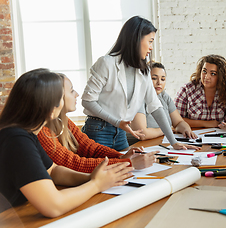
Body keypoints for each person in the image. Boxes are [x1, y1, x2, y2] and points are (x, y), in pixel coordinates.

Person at [0, 69, 133, 217]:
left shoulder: (26, 133)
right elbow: (53, 206)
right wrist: (96, 185)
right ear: (51, 108)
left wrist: (90, 178)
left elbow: (54, 171)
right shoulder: (17, 140)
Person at [81, 16, 198, 151]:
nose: (151, 47)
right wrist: (117, 122)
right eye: (150, 41)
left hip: (120, 134)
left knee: (129, 170)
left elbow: (155, 106)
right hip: (98, 130)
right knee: (106, 170)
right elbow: (87, 101)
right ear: (136, 39)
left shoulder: (143, 70)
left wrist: (173, 142)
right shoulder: (106, 63)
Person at [38, 74, 158, 173]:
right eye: (71, 90)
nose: (77, 94)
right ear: (56, 97)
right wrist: (127, 163)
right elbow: (74, 164)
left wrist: (120, 157)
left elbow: (90, 147)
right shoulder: (42, 132)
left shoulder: (62, 120)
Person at [127, 62, 196, 145]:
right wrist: (167, 130)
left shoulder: (163, 96)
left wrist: (186, 129)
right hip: (140, 146)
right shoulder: (138, 97)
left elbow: (178, 122)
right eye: (154, 78)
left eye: (163, 79)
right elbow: (142, 134)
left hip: (161, 143)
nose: (159, 82)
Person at [174, 54, 226, 131]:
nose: (206, 77)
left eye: (213, 74)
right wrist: (207, 123)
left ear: (221, 76)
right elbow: (175, 120)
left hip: (219, 137)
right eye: (204, 71)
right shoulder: (187, 90)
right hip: (191, 137)